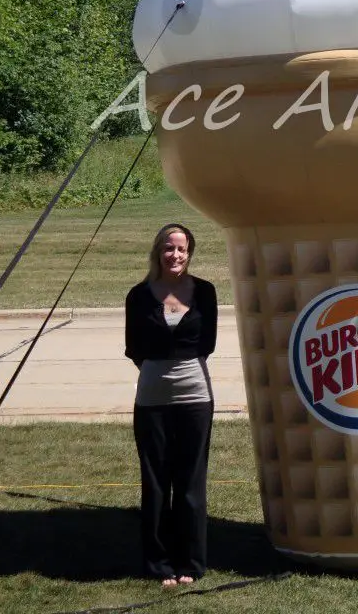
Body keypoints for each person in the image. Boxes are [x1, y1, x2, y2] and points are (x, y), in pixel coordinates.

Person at [124, 223, 218, 586]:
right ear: (157, 252)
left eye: (181, 248)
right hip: (152, 398)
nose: (174, 255)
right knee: (156, 481)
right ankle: (159, 565)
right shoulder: (138, 295)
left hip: (196, 395)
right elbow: (134, 347)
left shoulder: (205, 292)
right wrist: (159, 372)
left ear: (189, 253)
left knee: (191, 481)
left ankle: (191, 563)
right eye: (168, 248)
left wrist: (179, 368)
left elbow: (207, 343)